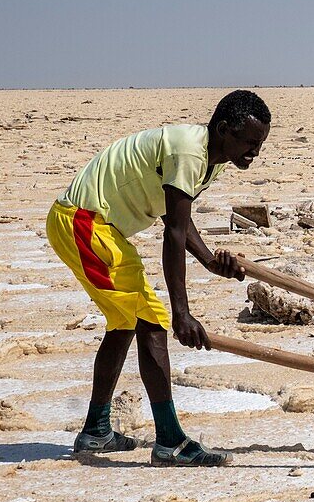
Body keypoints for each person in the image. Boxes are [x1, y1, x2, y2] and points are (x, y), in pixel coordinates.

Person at [45, 90, 271, 466]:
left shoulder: (210, 159)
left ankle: (96, 432)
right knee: (152, 320)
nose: (255, 152)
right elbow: (174, 234)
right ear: (224, 129)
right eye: (249, 142)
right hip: (83, 223)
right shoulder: (188, 152)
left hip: (94, 226)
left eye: (260, 143)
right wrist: (182, 313)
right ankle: (170, 442)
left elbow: (177, 218)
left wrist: (211, 261)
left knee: (125, 323)